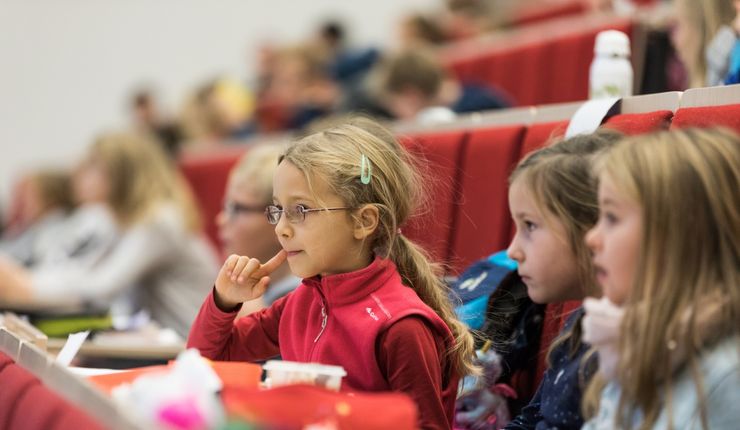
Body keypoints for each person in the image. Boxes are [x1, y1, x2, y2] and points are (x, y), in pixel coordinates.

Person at [187, 117, 478, 430]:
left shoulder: (401, 326)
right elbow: (204, 361)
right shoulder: (302, 302)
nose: (282, 229)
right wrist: (224, 301)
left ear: (363, 221)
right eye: (278, 210)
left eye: (300, 211)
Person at [582, 128, 740, 429]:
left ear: (679, 240)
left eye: (611, 217)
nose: (591, 237)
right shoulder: (640, 342)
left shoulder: (727, 378)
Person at [0, 132, 218, 338]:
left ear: (122, 175)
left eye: (93, 166)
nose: (78, 174)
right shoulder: (121, 220)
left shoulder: (159, 221)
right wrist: (25, 282)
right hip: (158, 339)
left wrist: (27, 286)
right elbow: (83, 271)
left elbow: (102, 287)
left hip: (186, 343)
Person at [492, 130, 622, 429]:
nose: (513, 251)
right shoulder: (581, 324)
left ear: (592, 229)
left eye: (530, 226)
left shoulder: (621, 347)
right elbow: (531, 419)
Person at [216, 143, 300, 316]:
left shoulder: (301, 301)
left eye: (237, 208)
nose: (221, 220)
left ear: (281, 218)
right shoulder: (253, 295)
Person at [376, 49, 510, 124]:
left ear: (411, 96)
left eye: (395, 106)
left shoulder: (482, 106)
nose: (396, 115)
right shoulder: (479, 96)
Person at [0, 169, 74, 267]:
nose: (22, 203)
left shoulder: (53, 228)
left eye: (29, 195)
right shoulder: (32, 227)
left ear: (49, 199)